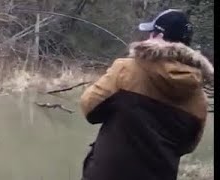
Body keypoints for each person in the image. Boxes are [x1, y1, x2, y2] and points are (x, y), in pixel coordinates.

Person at [80, 9, 214, 180]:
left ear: (158, 37)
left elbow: (88, 108)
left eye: (152, 32)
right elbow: (187, 147)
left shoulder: (126, 70)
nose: (148, 36)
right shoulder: (198, 99)